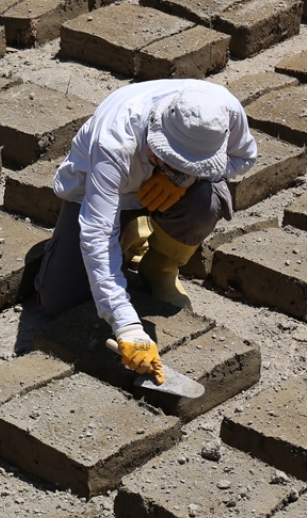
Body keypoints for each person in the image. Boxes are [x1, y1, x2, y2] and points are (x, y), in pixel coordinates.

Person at [34, 79, 257, 382]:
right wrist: (127, 326)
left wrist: (182, 182)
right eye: (168, 161)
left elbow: (245, 157)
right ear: (154, 130)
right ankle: (130, 229)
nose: (174, 170)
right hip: (105, 195)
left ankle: (160, 269)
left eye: (187, 166)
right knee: (58, 302)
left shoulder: (223, 109)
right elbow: (97, 235)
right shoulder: (113, 142)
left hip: (168, 194)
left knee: (207, 203)